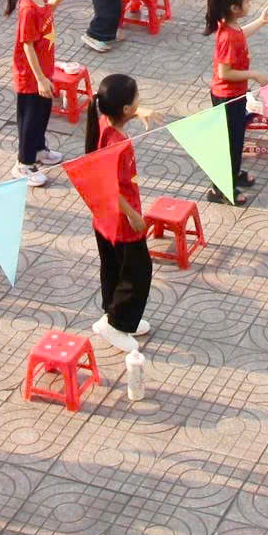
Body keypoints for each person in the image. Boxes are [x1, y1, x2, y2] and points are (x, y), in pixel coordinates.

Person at [83, 74, 152, 353]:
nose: (139, 101)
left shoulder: (102, 124)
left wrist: (137, 113)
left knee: (113, 266)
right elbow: (110, 185)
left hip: (103, 217)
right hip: (122, 219)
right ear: (125, 109)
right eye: (136, 99)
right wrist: (132, 215)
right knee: (138, 272)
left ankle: (112, 313)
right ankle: (115, 323)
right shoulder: (119, 144)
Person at [205, 0, 268, 205]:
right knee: (229, 144)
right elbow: (224, 73)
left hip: (235, 95)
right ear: (234, 8)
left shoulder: (231, 27)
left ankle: (234, 173)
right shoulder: (227, 36)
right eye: (247, 1)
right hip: (227, 97)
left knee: (236, 138)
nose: (249, 3)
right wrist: (254, 75)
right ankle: (221, 189)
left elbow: (242, 34)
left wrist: (261, 21)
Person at [6, 0, 60, 185]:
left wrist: (57, 0)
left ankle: (39, 149)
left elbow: (46, 14)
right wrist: (39, 79)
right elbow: (27, 46)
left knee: (43, 113)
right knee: (30, 119)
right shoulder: (27, 8)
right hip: (30, 76)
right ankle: (24, 163)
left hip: (44, 70)